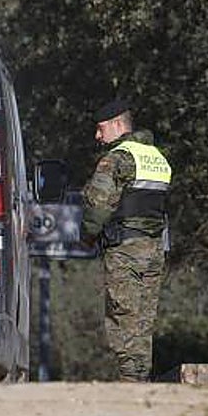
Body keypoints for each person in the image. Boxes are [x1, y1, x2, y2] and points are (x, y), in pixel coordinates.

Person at [81, 98, 172, 382]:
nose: (98, 136)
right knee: (143, 320)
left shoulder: (116, 159)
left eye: (100, 128)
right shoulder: (157, 158)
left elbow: (98, 206)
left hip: (124, 250)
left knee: (123, 317)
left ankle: (131, 381)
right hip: (154, 250)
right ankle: (141, 377)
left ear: (118, 124)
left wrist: (87, 236)